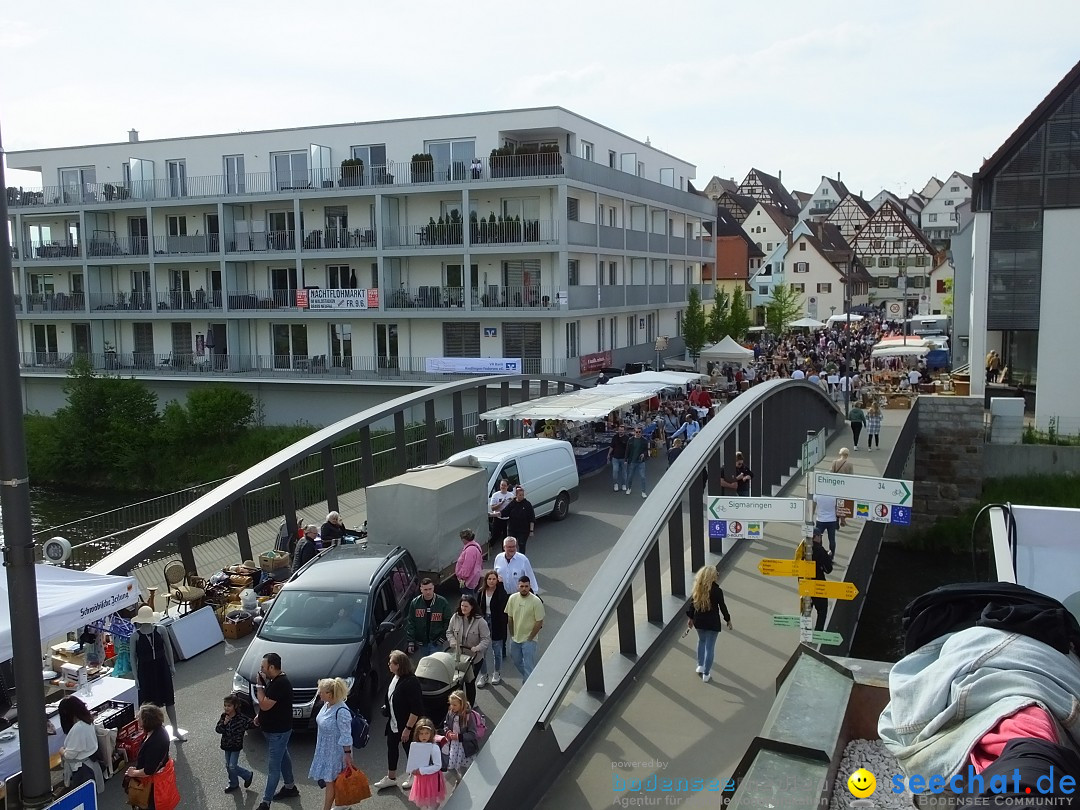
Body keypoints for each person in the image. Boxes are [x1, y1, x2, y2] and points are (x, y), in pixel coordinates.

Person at [373, 650, 425, 792]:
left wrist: (408, 729)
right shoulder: (395, 677)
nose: (388, 665)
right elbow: (392, 697)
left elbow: (416, 709)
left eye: (390, 663)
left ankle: (414, 776)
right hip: (394, 723)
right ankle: (391, 777)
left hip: (407, 725)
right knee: (392, 747)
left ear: (398, 665)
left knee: (410, 750)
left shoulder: (411, 682)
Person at [132, 605, 185, 741]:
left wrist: (172, 665)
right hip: (145, 670)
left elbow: (168, 647)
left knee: (169, 700)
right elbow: (132, 657)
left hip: (161, 667)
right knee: (148, 704)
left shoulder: (160, 630)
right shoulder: (135, 636)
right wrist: (136, 677)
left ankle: (175, 729)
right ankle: (151, 734)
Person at [254, 652, 298, 810]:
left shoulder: (281, 683)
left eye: (263, 667)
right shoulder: (274, 681)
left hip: (278, 733)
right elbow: (271, 705)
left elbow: (265, 703)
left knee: (273, 769)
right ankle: (290, 787)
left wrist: (259, 686)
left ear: (272, 667)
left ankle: (265, 802)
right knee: (283, 757)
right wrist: (260, 716)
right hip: (275, 731)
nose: (261, 670)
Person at [308, 677, 355, 810]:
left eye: (321, 692)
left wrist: (347, 755)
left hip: (336, 753)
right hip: (326, 749)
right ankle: (343, 805)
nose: (319, 694)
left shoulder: (342, 711)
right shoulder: (327, 705)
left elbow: (346, 735)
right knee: (334, 782)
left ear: (330, 694)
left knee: (331, 783)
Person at [685, 566, 732, 683]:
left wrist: (690, 618)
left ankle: (700, 665)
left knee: (701, 641)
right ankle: (706, 674)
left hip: (699, 621)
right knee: (710, 647)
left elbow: (692, 604)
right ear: (712, 576)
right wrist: (728, 620)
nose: (718, 575)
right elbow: (722, 607)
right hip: (712, 622)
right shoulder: (717, 591)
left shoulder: (698, 588)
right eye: (716, 573)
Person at [124, 703, 174, 810]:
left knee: (150, 805)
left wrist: (134, 773)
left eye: (139, 718)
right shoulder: (159, 731)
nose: (137, 719)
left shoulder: (154, 742)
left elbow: (149, 770)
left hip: (153, 785)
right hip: (160, 779)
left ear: (147, 721)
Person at [446, 594, 490, 706]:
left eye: (466, 606)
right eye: (462, 606)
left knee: (469, 682)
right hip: (459, 656)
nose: (463, 608)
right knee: (457, 682)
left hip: (473, 659)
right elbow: (449, 632)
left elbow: (486, 639)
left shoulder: (480, 622)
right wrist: (452, 642)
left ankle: (470, 704)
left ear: (472, 607)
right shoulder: (455, 617)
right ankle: (458, 704)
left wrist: (477, 648)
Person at [58, 696, 103, 792]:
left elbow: (70, 755)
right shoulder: (87, 720)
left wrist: (62, 751)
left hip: (83, 770)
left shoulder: (78, 728)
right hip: (91, 763)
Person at [505, 575, 545, 683]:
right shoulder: (512, 598)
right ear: (518, 586)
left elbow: (539, 621)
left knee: (528, 665)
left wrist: (531, 637)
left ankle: (527, 686)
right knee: (517, 661)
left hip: (529, 640)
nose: (524, 588)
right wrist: (512, 635)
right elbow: (510, 617)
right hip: (515, 639)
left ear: (529, 586)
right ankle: (531, 678)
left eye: (526, 586)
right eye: (521, 586)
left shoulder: (536, 601)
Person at [216, 694, 254, 793]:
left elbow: (251, 723)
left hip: (236, 746)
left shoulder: (241, 718)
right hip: (226, 745)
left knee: (232, 766)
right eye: (225, 705)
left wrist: (258, 721)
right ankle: (233, 783)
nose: (226, 708)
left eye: (229, 706)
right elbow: (218, 730)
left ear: (235, 706)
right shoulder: (224, 717)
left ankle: (247, 775)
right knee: (228, 766)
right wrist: (224, 724)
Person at [404, 717, 445, 808]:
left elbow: (438, 766)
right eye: (421, 733)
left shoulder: (434, 748)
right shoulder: (416, 746)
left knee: (432, 799)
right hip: (421, 778)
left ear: (432, 734)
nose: (424, 736)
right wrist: (413, 769)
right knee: (423, 798)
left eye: (427, 733)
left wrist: (421, 770)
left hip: (432, 778)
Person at [405, 579, 452, 659]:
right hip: (422, 643)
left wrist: (442, 638)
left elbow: (448, 622)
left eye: (430, 589)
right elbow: (411, 622)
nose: (428, 592)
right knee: (426, 662)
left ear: (433, 588)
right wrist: (411, 641)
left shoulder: (442, 602)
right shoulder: (415, 603)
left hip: (436, 642)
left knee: (435, 663)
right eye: (425, 589)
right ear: (421, 589)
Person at [477, 570, 508, 687]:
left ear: (497, 580)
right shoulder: (481, 592)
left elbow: (504, 608)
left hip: (497, 623)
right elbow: (477, 608)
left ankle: (497, 673)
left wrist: (501, 585)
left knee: (497, 650)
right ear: (486, 580)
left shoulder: (501, 592)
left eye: (494, 579)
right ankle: (484, 675)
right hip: (484, 622)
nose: (491, 581)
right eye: (489, 579)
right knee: (482, 651)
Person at [442, 690, 479, 788]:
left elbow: (472, 734)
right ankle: (459, 779)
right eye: (451, 704)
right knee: (450, 766)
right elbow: (446, 724)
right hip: (453, 745)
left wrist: (459, 736)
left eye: (455, 705)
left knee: (463, 767)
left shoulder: (468, 716)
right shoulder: (450, 712)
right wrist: (448, 732)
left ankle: (464, 783)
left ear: (461, 704)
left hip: (464, 746)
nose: (452, 707)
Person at [500, 486, 536, 553]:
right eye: (520, 495)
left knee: (521, 544)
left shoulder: (527, 504)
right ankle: (510, 558)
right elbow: (504, 512)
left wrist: (531, 531)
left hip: (523, 530)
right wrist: (495, 514)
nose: (521, 496)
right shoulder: (512, 503)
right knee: (510, 544)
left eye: (522, 495)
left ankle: (521, 559)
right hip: (512, 529)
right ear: (516, 495)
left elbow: (532, 518)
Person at [810, 530, 834, 631]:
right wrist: (828, 557)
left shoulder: (801, 548)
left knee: (806, 607)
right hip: (817, 584)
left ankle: (805, 631)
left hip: (804, 584)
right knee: (822, 609)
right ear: (815, 537)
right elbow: (828, 569)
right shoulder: (820, 550)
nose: (820, 539)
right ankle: (817, 633)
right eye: (820, 536)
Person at [454, 529, 484, 597]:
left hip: (468, 581)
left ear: (464, 539)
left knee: (468, 600)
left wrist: (462, 578)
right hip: (472, 578)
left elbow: (467, 566)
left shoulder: (470, 550)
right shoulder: (474, 546)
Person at [625, 426, 650, 498]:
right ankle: (629, 488)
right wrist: (626, 460)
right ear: (634, 432)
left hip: (641, 462)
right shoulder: (630, 440)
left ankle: (643, 491)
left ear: (641, 433)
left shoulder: (644, 440)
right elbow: (627, 450)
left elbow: (647, 450)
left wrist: (644, 454)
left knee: (643, 477)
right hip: (632, 461)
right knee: (630, 476)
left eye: (639, 432)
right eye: (637, 432)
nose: (638, 433)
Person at [813, 493, 840, 558]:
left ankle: (820, 555)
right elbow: (838, 508)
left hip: (820, 520)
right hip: (832, 520)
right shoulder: (834, 495)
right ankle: (831, 557)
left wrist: (810, 517)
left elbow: (813, 507)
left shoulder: (817, 495)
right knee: (832, 540)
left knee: (818, 539)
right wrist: (841, 519)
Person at [488, 479, 513, 545]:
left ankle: (504, 552)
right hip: (497, 518)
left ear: (507, 486)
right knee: (495, 536)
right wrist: (501, 503)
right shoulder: (495, 495)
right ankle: (490, 547)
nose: (503, 487)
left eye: (505, 485)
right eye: (502, 485)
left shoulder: (511, 495)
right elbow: (493, 508)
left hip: (507, 519)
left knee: (506, 538)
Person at [608, 424, 630, 492]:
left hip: (624, 458)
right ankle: (616, 484)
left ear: (624, 431)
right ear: (618, 430)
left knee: (624, 473)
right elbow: (612, 446)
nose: (621, 431)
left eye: (622, 430)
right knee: (615, 471)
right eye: (620, 430)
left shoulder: (627, 438)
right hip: (615, 458)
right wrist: (608, 454)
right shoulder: (615, 437)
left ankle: (624, 484)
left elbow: (629, 449)